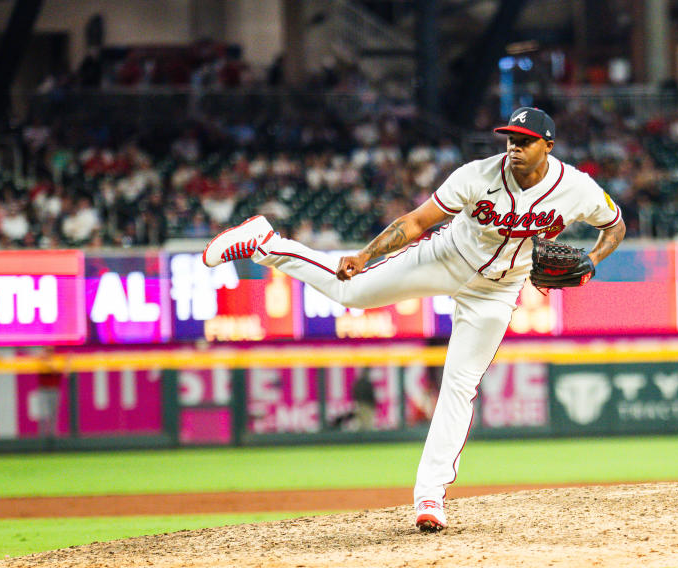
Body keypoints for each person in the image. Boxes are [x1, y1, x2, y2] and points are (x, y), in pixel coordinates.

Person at [202, 107, 626, 531]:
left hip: (498, 290)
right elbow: (418, 221)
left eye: (525, 141)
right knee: (352, 291)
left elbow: (615, 225)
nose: (514, 147)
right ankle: (265, 242)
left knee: (460, 385)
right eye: (510, 139)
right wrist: (366, 254)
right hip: (447, 258)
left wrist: (590, 262)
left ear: (548, 146)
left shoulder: (576, 189)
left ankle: (430, 499)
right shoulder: (476, 175)